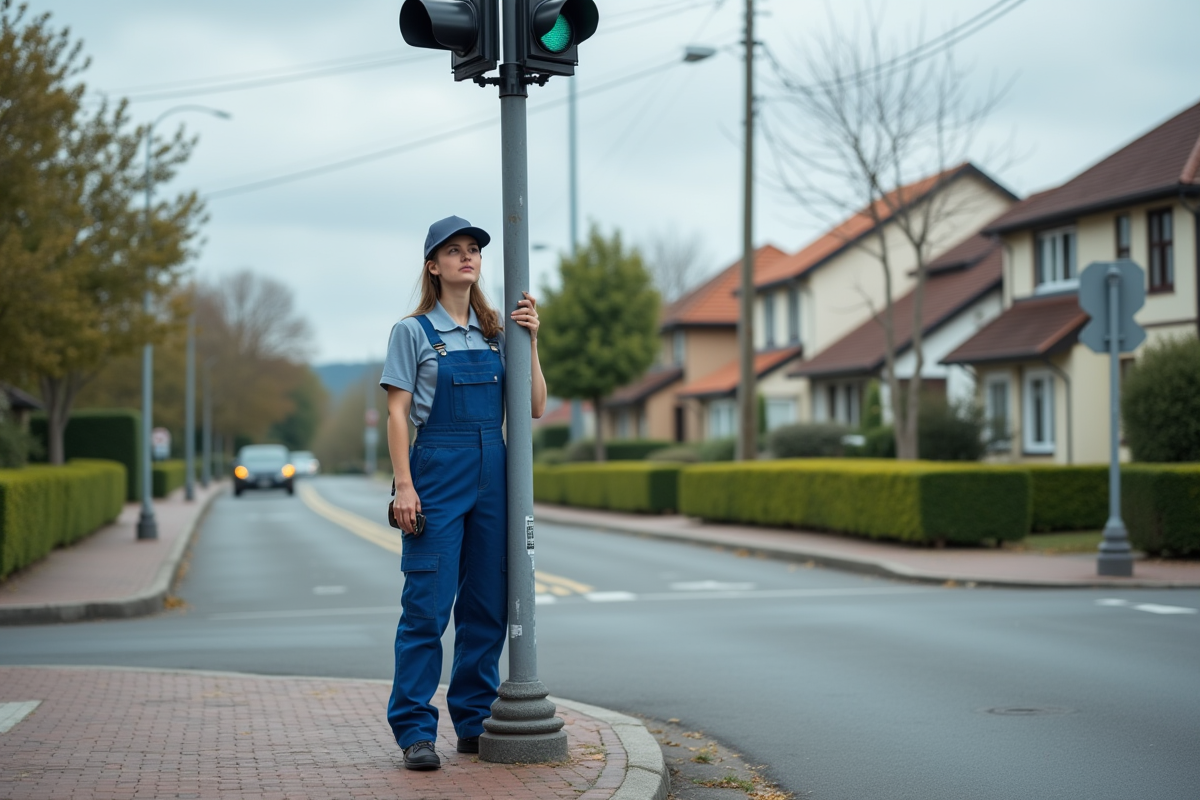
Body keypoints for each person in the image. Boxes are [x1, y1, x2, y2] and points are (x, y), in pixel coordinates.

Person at [380, 215, 547, 771]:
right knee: (427, 607)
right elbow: (397, 413)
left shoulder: (498, 333)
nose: (466, 257)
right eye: (453, 251)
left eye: (473, 249)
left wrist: (532, 343)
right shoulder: (413, 332)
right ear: (433, 265)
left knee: (486, 607)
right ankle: (414, 731)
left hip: (494, 471)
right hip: (437, 468)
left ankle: (472, 721)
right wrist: (405, 486)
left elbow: (535, 406)